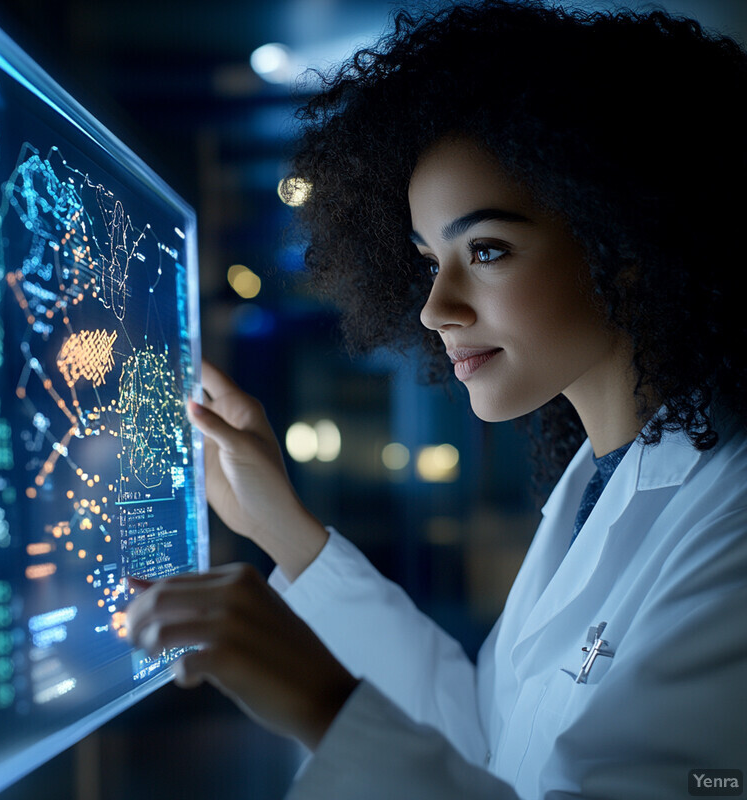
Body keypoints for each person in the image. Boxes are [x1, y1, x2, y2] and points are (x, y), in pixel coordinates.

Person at [126, 1, 747, 797]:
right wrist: (279, 526)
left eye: (486, 250)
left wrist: (322, 703)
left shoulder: (729, 522)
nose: (434, 308)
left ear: (627, 239)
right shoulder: (596, 486)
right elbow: (482, 742)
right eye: (429, 260)